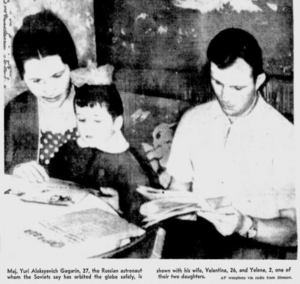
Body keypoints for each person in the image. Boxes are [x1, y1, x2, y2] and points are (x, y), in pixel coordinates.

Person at [165, 28, 296, 258]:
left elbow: (294, 231)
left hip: (256, 254)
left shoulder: (285, 136)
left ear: (259, 81)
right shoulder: (192, 120)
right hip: (198, 246)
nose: (225, 96)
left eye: (237, 87)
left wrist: (244, 224)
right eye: (217, 82)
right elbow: (178, 191)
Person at [48, 84, 149, 225]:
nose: (88, 127)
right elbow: (50, 177)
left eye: (97, 121)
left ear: (117, 123)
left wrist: (121, 208)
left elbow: (143, 211)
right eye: (82, 120)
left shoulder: (127, 162)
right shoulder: (70, 148)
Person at [5, 10, 78, 183]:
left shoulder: (96, 100)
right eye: (36, 80)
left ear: (70, 64)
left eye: (57, 75)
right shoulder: (16, 110)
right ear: (23, 77)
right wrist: (15, 169)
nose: (49, 89)